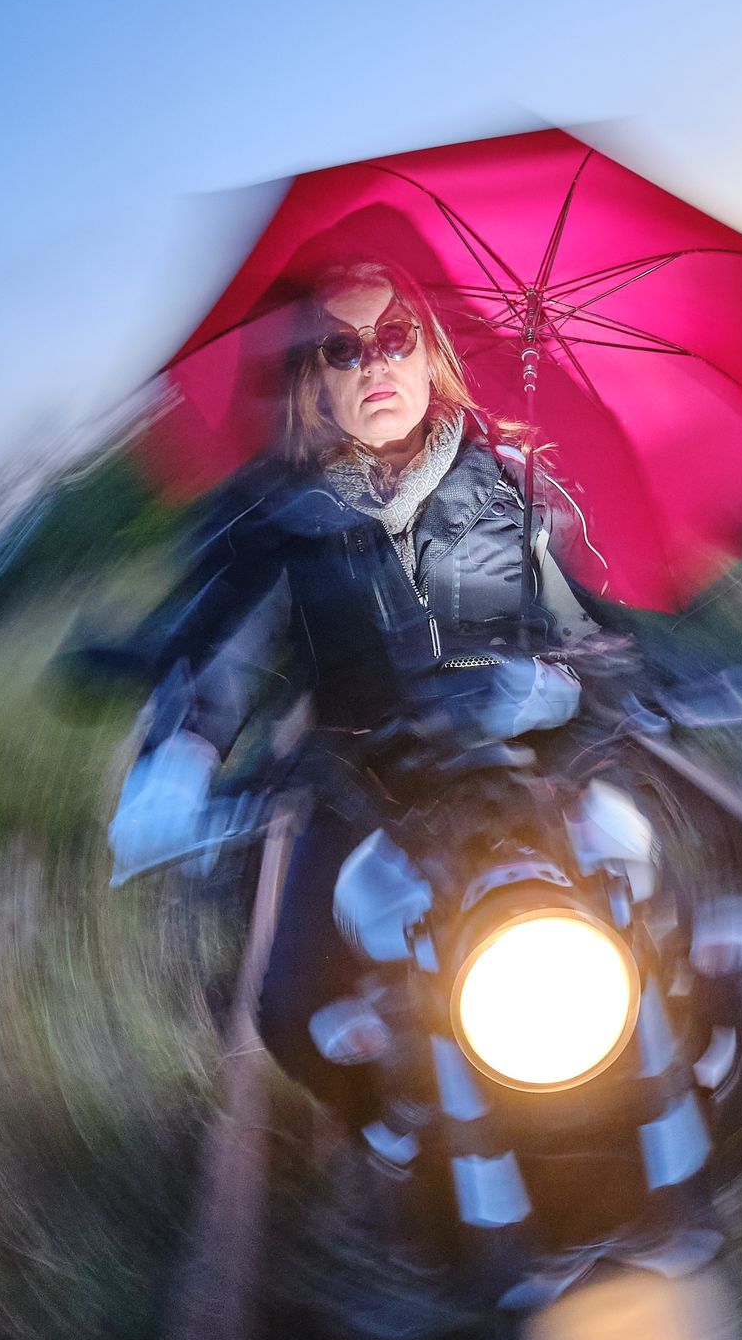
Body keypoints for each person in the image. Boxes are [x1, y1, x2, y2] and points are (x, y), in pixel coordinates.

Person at [90, 259, 635, 1118]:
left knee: (661, 906)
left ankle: (719, 1079)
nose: (375, 363)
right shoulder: (277, 521)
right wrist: (178, 762)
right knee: (293, 1007)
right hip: (367, 790)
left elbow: (585, 624)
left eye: (395, 337)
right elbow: (222, 651)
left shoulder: (507, 483)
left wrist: (580, 672)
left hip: (522, 775)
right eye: (343, 350)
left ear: (429, 353)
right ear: (312, 380)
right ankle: (393, 1133)